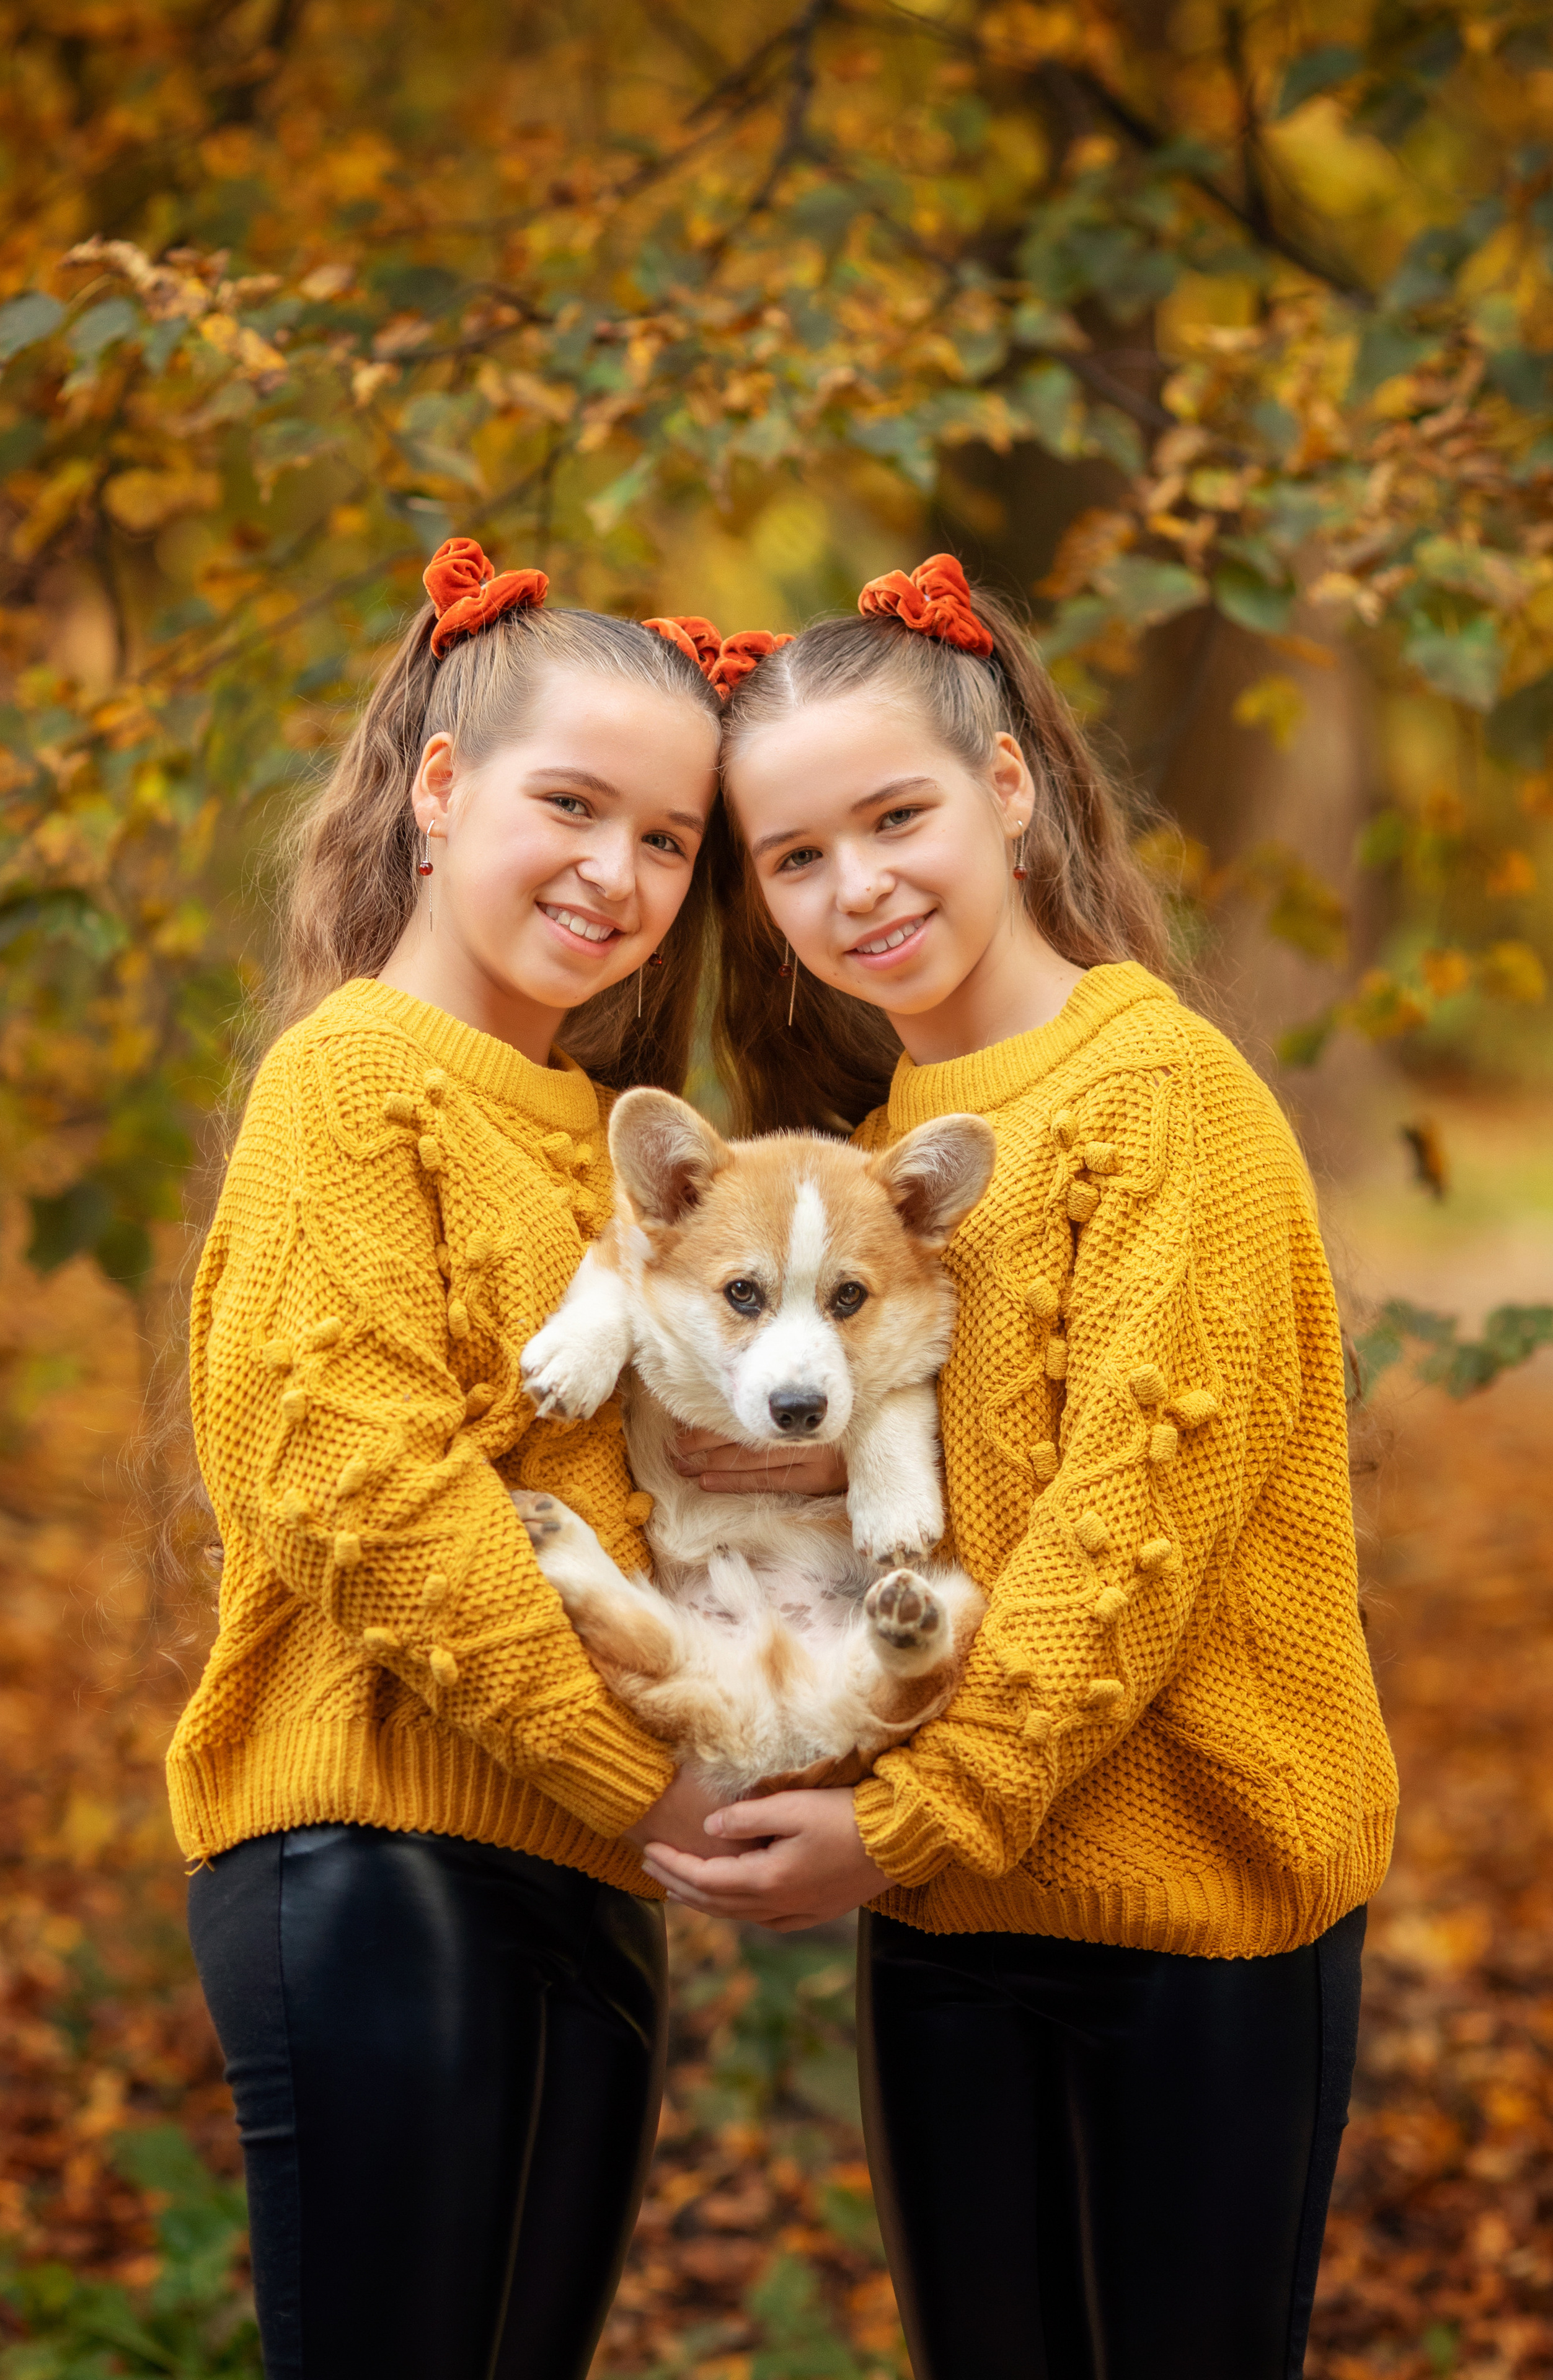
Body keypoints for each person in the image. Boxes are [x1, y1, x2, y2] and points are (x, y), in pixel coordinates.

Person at [639, 555, 1400, 2380]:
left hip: (1193, 1910)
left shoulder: (1164, 1100)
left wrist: (899, 1823)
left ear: (1007, 788)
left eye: (894, 816)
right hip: (958, 1907)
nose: (858, 889)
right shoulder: (872, 1168)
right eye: (794, 858)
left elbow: (1125, 1543)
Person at [173, 546, 823, 2380]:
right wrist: (644, 1782)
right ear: (440, 794)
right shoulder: (355, 1078)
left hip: (585, 1857)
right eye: (569, 805)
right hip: (380, 1852)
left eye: (668, 840)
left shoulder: (602, 1140)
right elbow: (361, 1493)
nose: (614, 876)